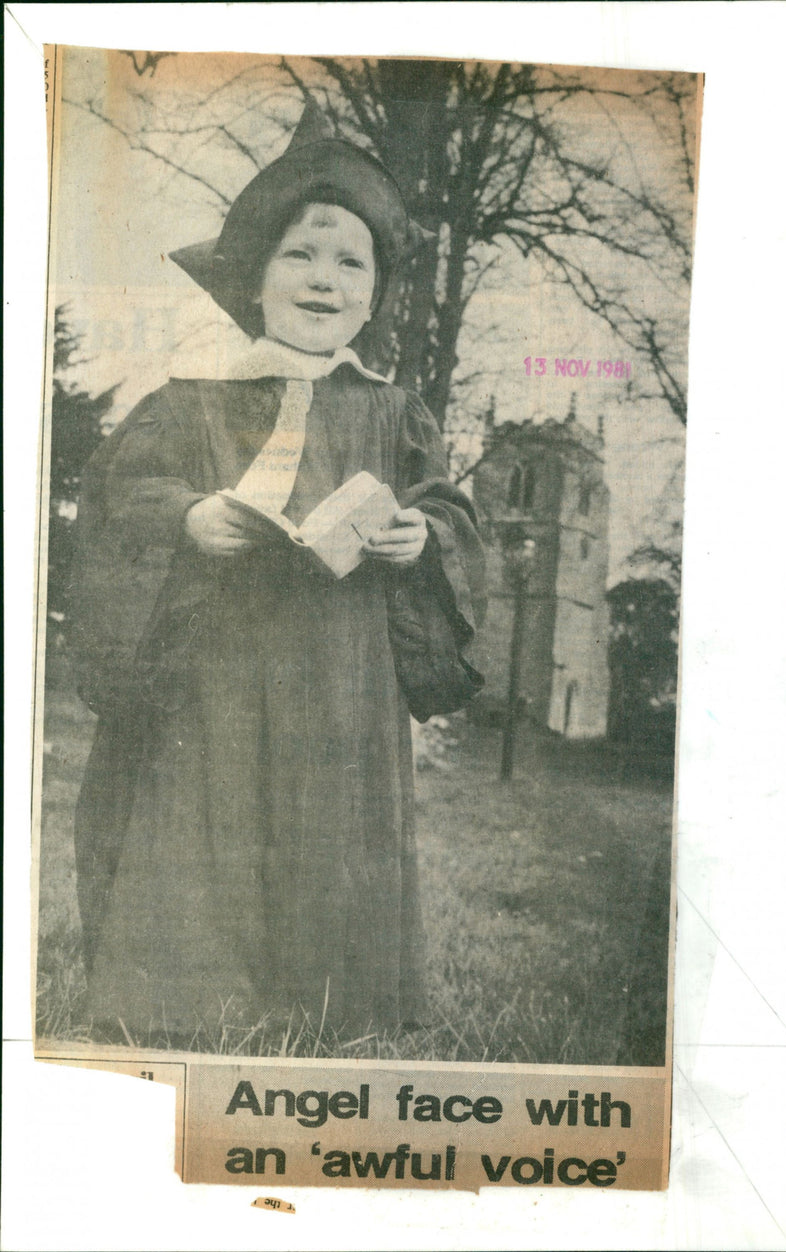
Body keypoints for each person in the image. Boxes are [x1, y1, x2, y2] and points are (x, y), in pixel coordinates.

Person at [68, 102, 485, 1050]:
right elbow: (124, 495)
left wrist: (420, 536)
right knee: (203, 818)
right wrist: (188, 516)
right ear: (252, 281)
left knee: (331, 832)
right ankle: (187, 1001)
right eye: (299, 254)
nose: (323, 279)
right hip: (214, 674)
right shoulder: (189, 400)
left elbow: (448, 513)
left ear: (373, 299)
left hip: (346, 679)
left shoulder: (395, 413)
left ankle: (335, 1005)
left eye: (350, 264)